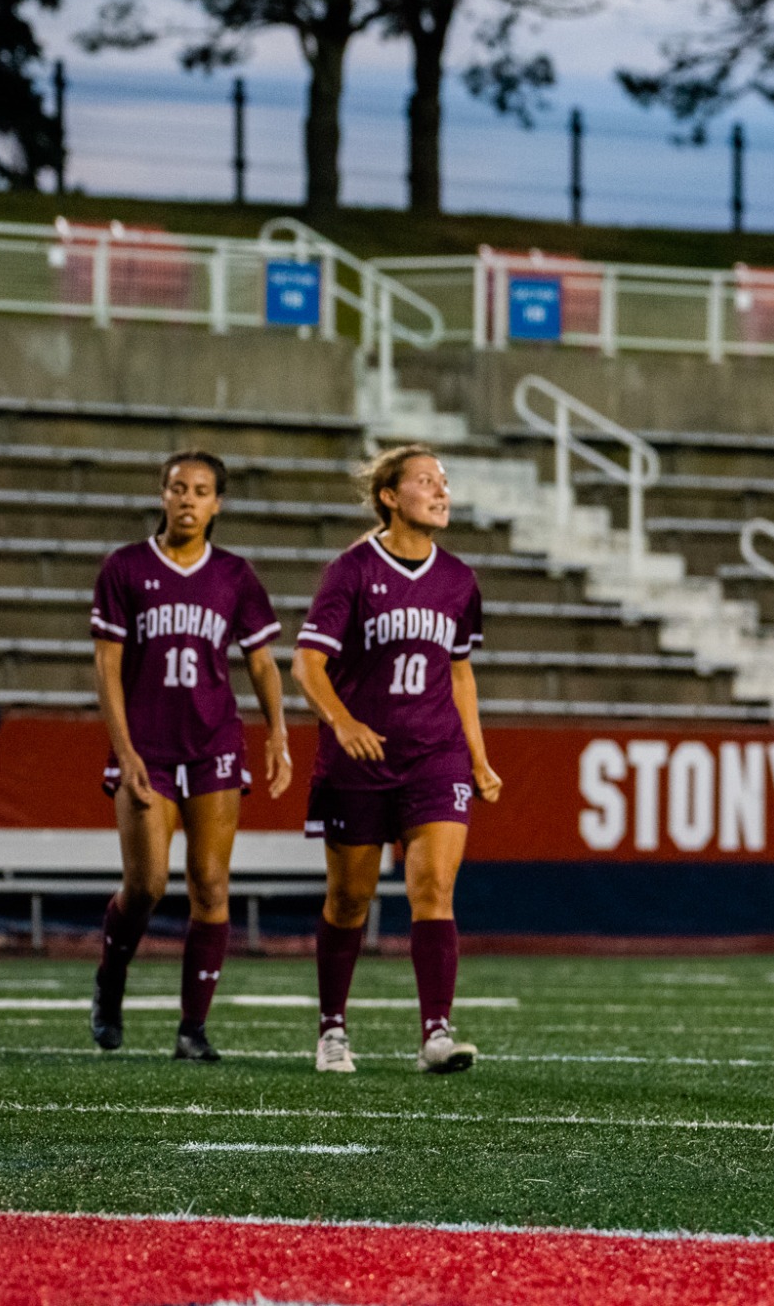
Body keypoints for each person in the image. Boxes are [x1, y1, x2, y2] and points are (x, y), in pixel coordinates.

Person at [291, 444, 501, 1076]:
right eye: (426, 481)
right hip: (360, 760)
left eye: (445, 481)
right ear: (389, 496)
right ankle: (332, 1029)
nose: (442, 491)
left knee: (434, 889)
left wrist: (479, 758)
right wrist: (343, 721)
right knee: (350, 900)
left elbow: (459, 674)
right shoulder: (352, 571)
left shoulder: (460, 580)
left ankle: (436, 1032)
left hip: (435, 757)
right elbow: (306, 663)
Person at [88, 449, 291, 1062]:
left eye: (201, 490)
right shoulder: (124, 569)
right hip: (146, 746)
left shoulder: (234, 575)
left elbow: (259, 660)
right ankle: (110, 978)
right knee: (146, 885)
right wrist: (124, 751)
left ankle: (192, 1029)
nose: (187, 499)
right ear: (162, 494)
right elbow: (108, 666)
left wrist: (277, 731)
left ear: (217, 504)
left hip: (213, 747)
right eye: (178, 488)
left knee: (210, 883)